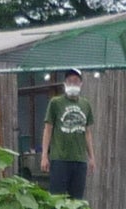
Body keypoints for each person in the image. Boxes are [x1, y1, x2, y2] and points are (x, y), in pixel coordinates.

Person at [39, 69, 95, 201]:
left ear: (81, 84)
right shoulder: (56, 103)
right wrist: (44, 155)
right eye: (69, 81)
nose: (73, 84)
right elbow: (48, 129)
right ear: (64, 83)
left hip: (79, 160)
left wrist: (92, 157)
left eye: (76, 81)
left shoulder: (85, 104)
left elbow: (87, 132)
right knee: (56, 200)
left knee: (76, 201)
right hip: (60, 159)